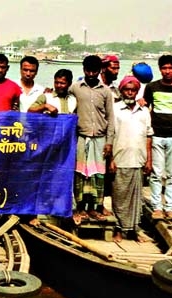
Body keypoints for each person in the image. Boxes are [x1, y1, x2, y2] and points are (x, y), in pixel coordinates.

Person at [143, 55, 172, 221]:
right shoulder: (151, 87)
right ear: (160, 69)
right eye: (164, 68)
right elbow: (146, 110)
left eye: (170, 68)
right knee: (156, 173)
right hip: (156, 135)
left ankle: (170, 207)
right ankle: (157, 207)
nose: (167, 71)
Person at [68, 55, 115, 222]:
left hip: (100, 139)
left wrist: (109, 142)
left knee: (97, 175)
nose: (91, 74)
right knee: (80, 173)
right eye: (88, 70)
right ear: (83, 70)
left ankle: (94, 208)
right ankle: (80, 207)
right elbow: (62, 98)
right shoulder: (75, 88)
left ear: (99, 71)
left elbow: (110, 117)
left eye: (94, 71)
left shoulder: (106, 91)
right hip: (81, 138)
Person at [107, 76, 153, 243]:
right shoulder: (115, 109)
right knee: (119, 196)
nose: (130, 93)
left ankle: (133, 230)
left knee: (136, 198)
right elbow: (110, 134)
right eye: (127, 89)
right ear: (121, 90)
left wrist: (149, 160)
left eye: (133, 90)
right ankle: (118, 229)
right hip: (120, 158)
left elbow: (149, 136)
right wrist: (110, 158)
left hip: (138, 159)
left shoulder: (144, 111)